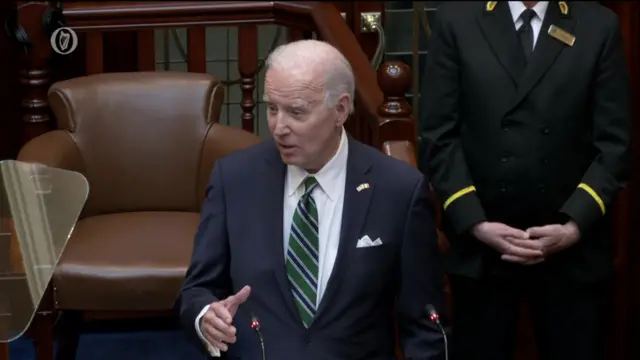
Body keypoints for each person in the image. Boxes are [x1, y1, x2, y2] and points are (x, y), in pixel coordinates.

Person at [176, 39, 446, 360]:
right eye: (272, 108)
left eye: (296, 112)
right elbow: (196, 290)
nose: (279, 127)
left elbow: (425, 325)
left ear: (341, 109)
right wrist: (205, 316)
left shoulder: (399, 190)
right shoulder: (234, 178)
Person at [422, 1, 630, 360]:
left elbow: (614, 145)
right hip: (482, 250)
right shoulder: (457, 21)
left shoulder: (599, 25)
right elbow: (439, 135)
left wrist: (574, 225)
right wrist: (475, 222)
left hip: (571, 252)